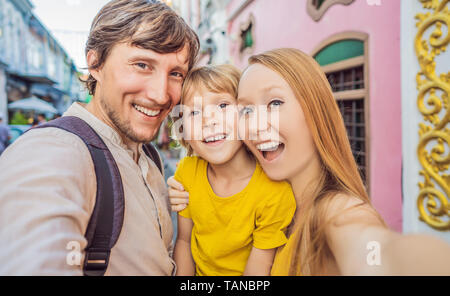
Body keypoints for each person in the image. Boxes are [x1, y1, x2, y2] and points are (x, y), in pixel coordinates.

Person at [169, 48, 450, 275]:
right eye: (246, 110)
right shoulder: (267, 191)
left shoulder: (335, 210)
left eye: (275, 104)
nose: (254, 124)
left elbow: (377, 250)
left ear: (316, 111)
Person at [0, 0, 199, 275]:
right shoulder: (53, 151)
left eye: (176, 73)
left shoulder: (149, 155)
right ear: (95, 63)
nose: (161, 94)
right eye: (142, 65)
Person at [171, 65, 296, 276]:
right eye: (193, 112)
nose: (208, 120)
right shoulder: (187, 172)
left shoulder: (274, 192)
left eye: (222, 105)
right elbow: (183, 240)